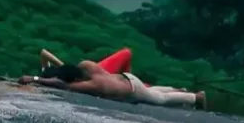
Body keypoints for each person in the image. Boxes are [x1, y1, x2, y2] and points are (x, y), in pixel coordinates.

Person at [24, 49, 206, 110]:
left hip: (131, 91)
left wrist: (35, 79)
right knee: (153, 90)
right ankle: (181, 90)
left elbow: (62, 85)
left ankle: (196, 97)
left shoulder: (92, 85)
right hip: (127, 78)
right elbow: (46, 55)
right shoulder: (87, 66)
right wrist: (61, 67)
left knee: (159, 99)